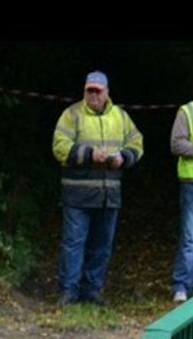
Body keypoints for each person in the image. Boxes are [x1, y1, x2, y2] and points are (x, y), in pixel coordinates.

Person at [52, 71, 144, 306]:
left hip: (108, 194)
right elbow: (59, 147)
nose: (93, 95)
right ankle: (68, 292)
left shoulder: (121, 117)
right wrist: (90, 154)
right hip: (77, 193)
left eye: (97, 91)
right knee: (74, 243)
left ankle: (92, 291)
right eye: (89, 90)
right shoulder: (71, 115)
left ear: (107, 93)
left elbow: (137, 143)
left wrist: (124, 157)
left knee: (102, 245)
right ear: (84, 91)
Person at [170, 101, 193, 303]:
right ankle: (181, 285)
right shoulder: (187, 111)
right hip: (191, 182)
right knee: (189, 237)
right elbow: (177, 144)